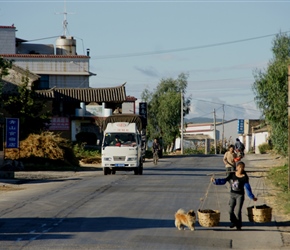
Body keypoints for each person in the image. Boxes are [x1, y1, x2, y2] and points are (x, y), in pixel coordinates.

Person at [211, 161, 258, 230]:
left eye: (242, 168)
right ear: (237, 168)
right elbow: (224, 180)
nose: (241, 169)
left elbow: (248, 188)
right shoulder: (232, 174)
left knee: (238, 211)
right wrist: (215, 181)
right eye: (240, 168)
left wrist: (252, 197)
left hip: (240, 195)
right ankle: (233, 221)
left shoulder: (244, 177)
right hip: (232, 194)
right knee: (230, 210)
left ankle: (238, 225)